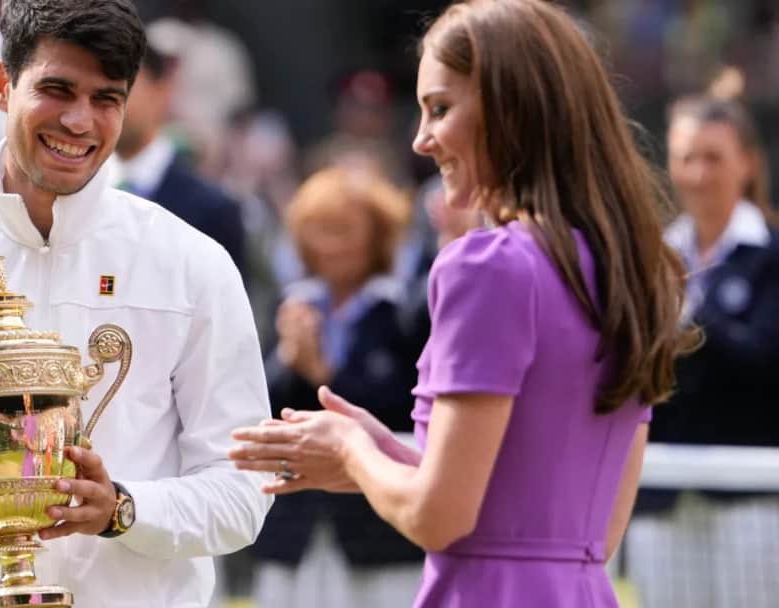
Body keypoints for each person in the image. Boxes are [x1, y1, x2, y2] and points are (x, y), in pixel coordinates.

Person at [229, 0, 693, 606]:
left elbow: (437, 517)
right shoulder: (631, 268)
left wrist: (351, 448)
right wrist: (385, 454)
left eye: (440, 109)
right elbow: (584, 528)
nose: (422, 140)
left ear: (512, 110)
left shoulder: (489, 265)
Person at [0, 1, 273, 607]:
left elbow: (242, 492)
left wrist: (121, 508)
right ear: (2, 85)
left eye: (106, 98)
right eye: (56, 90)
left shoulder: (193, 265)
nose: (79, 121)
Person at [626, 86, 779, 608]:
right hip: (661, 497)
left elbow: (763, 361)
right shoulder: (652, 261)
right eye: (686, 157)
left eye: (713, 157)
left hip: (753, 502)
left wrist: (688, 317)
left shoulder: (772, 258)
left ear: (748, 164)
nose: (698, 174)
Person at [250, 166, 426, 608]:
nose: (329, 245)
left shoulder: (403, 314)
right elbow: (258, 404)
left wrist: (327, 376)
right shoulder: (293, 305)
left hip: (379, 528)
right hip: (297, 522)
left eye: (343, 230)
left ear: (377, 236)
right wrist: (289, 363)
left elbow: (406, 410)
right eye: (317, 231)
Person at [112, 40, 246, 275]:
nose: (110, 100)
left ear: (162, 90)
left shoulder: (213, 208)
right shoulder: (71, 192)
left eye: (124, 86)